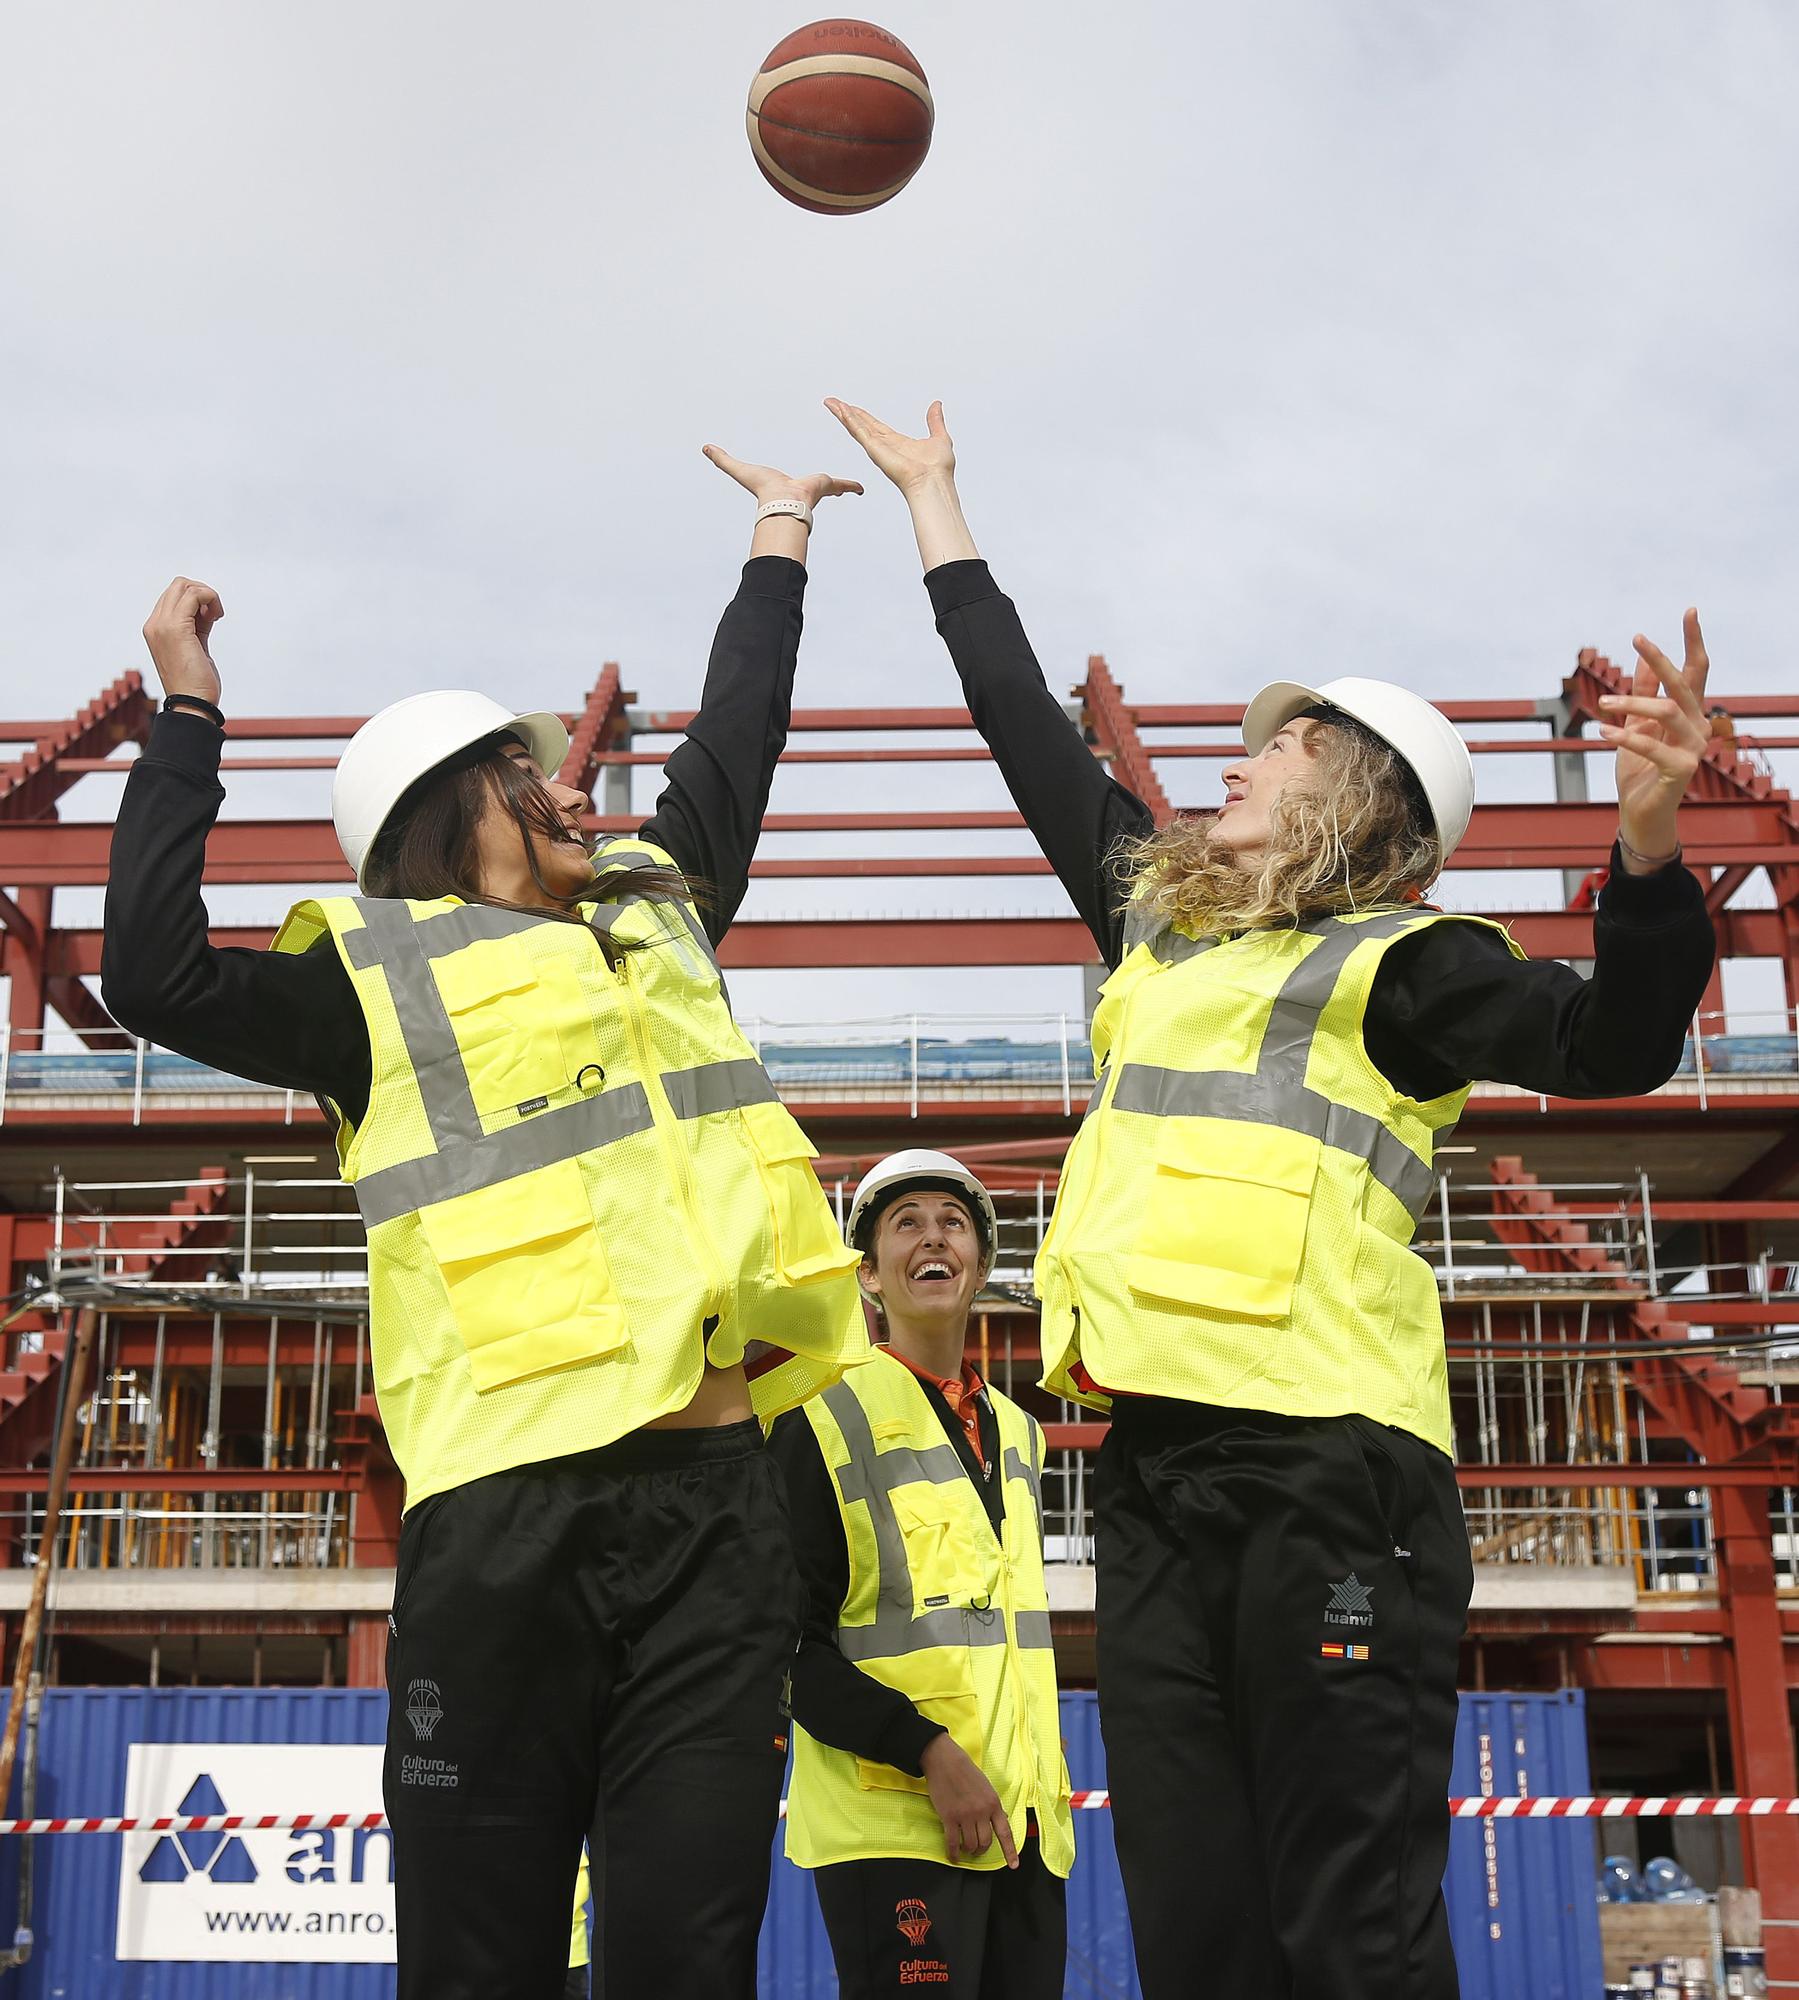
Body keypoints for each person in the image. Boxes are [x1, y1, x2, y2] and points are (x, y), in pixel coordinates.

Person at [823, 398, 1717, 2000]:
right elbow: (1023, 723)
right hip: (1159, 1482)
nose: (1231, 764)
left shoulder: (1406, 967)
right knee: (1198, 1931)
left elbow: (1611, 1044)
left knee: (1347, 1921)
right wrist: (935, 507)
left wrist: (1643, 851)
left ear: (1354, 805)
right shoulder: (1162, 946)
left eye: (1277, 747)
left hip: (1334, 1479)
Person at [102, 446, 873, 2000]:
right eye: (531, 780)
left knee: (684, 1954)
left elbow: (735, 742)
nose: (574, 789)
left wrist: (777, 535)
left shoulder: (652, 914)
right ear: (454, 810)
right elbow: (152, 972)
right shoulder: (370, 985)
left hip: (717, 1516)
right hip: (505, 1529)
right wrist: (190, 714)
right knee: (481, 1957)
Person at [768, 1150, 1073, 2000]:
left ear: (978, 1262)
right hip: (894, 1824)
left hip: (1023, 1832)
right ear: (867, 1274)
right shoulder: (820, 1419)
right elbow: (782, 1649)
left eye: (953, 1222)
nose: (932, 1237)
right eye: (906, 1224)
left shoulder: (1017, 1433)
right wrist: (926, 1750)